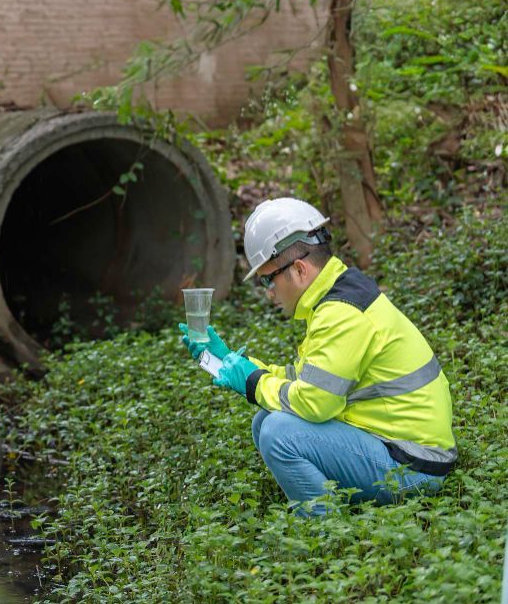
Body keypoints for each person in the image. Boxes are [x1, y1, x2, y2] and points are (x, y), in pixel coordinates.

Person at [180, 197, 456, 515]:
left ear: (299, 269)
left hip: (414, 466)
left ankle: (323, 533)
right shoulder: (336, 298)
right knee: (265, 420)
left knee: (278, 433)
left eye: (268, 279)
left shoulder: (341, 314)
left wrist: (252, 382)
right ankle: (339, 505)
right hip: (400, 447)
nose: (268, 291)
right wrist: (230, 361)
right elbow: (305, 380)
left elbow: (314, 402)